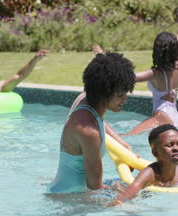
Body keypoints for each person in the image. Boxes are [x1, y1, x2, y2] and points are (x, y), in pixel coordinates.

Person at [93, 0, 178, 135]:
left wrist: (102, 56)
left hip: (161, 116)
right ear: (175, 49)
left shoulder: (156, 73)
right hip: (175, 117)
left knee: (124, 136)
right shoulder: (176, 65)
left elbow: (124, 75)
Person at [48, 52, 136, 193]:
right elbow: (95, 187)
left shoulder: (85, 99)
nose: (125, 99)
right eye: (120, 95)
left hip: (64, 190)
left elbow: (100, 121)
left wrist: (123, 144)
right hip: (70, 201)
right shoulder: (89, 132)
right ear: (103, 93)